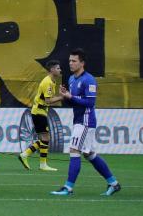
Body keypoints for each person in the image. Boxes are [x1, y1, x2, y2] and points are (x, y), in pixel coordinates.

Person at [51, 49, 121, 197]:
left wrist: (70, 96)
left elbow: (90, 102)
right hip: (78, 120)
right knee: (89, 154)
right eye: (70, 60)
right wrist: (66, 96)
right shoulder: (71, 79)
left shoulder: (89, 80)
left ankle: (68, 188)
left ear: (82, 63)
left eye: (74, 61)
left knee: (74, 150)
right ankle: (113, 183)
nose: (70, 63)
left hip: (86, 121)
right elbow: (74, 101)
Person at [19, 59, 62, 171]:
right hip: (39, 112)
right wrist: (62, 96)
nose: (60, 70)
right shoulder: (47, 82)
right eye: (58, 68)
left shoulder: (52, 81)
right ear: (52, 70)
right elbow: (48, 101)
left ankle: (26, 155)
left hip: (40, 112)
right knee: (46, 137)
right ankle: (39, 163)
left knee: (45, 138)